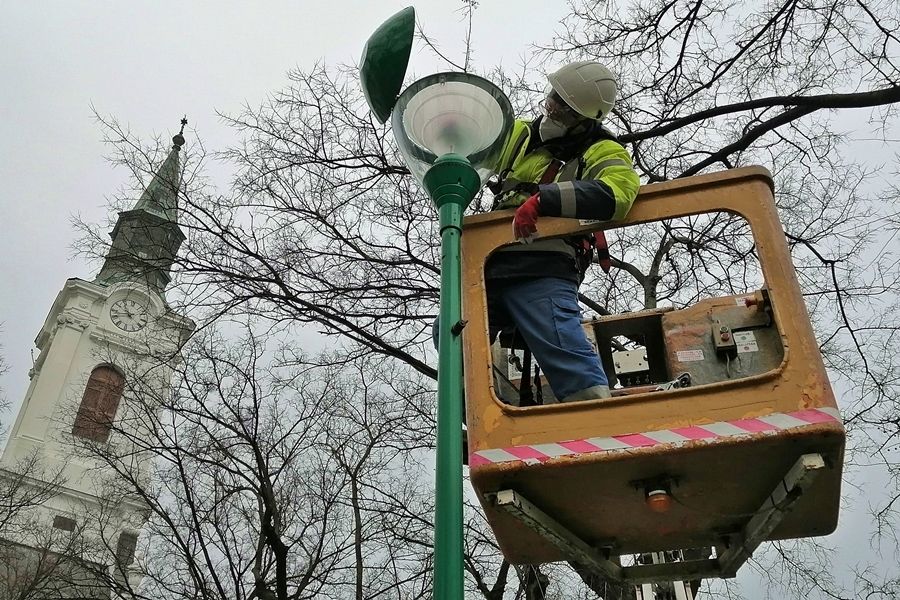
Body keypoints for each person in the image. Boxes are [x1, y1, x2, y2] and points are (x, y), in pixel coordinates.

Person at [484, 60, 641, 403]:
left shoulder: (602, 149)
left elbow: (618, 194)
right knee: (452, 338)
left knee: (566, 351)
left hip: (544, 265)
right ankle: (472, 416)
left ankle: (598, 427)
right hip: (490, 263)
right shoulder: (520, 136)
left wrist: (546, 200)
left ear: (584, 119)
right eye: (553, 97)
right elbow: (476, 144)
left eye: (564, 108)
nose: (552, 109)